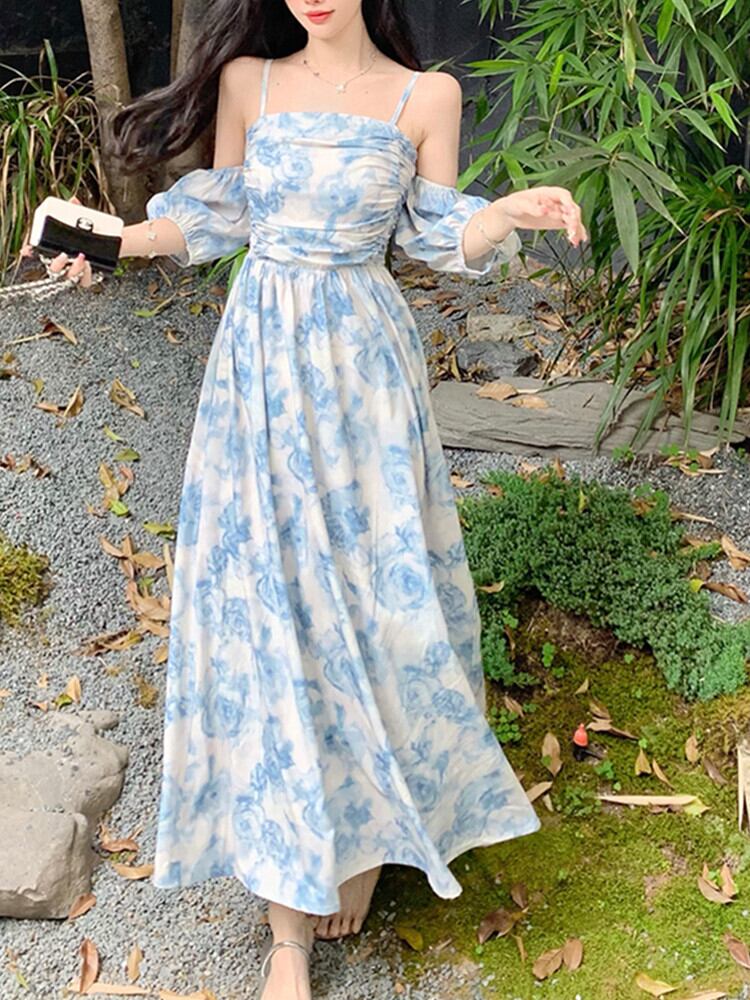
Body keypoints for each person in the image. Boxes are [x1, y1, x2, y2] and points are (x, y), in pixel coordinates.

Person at [31, 1, 587, 997]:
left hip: (365, 373)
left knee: (377, 604)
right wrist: (113, 242)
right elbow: (215, 216)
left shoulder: (428, 95)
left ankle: (366, 835)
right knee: (270, 607)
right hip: (259, 368)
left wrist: (503, 216)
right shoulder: (249, 82)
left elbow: (435, 231)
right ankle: (286, 926)